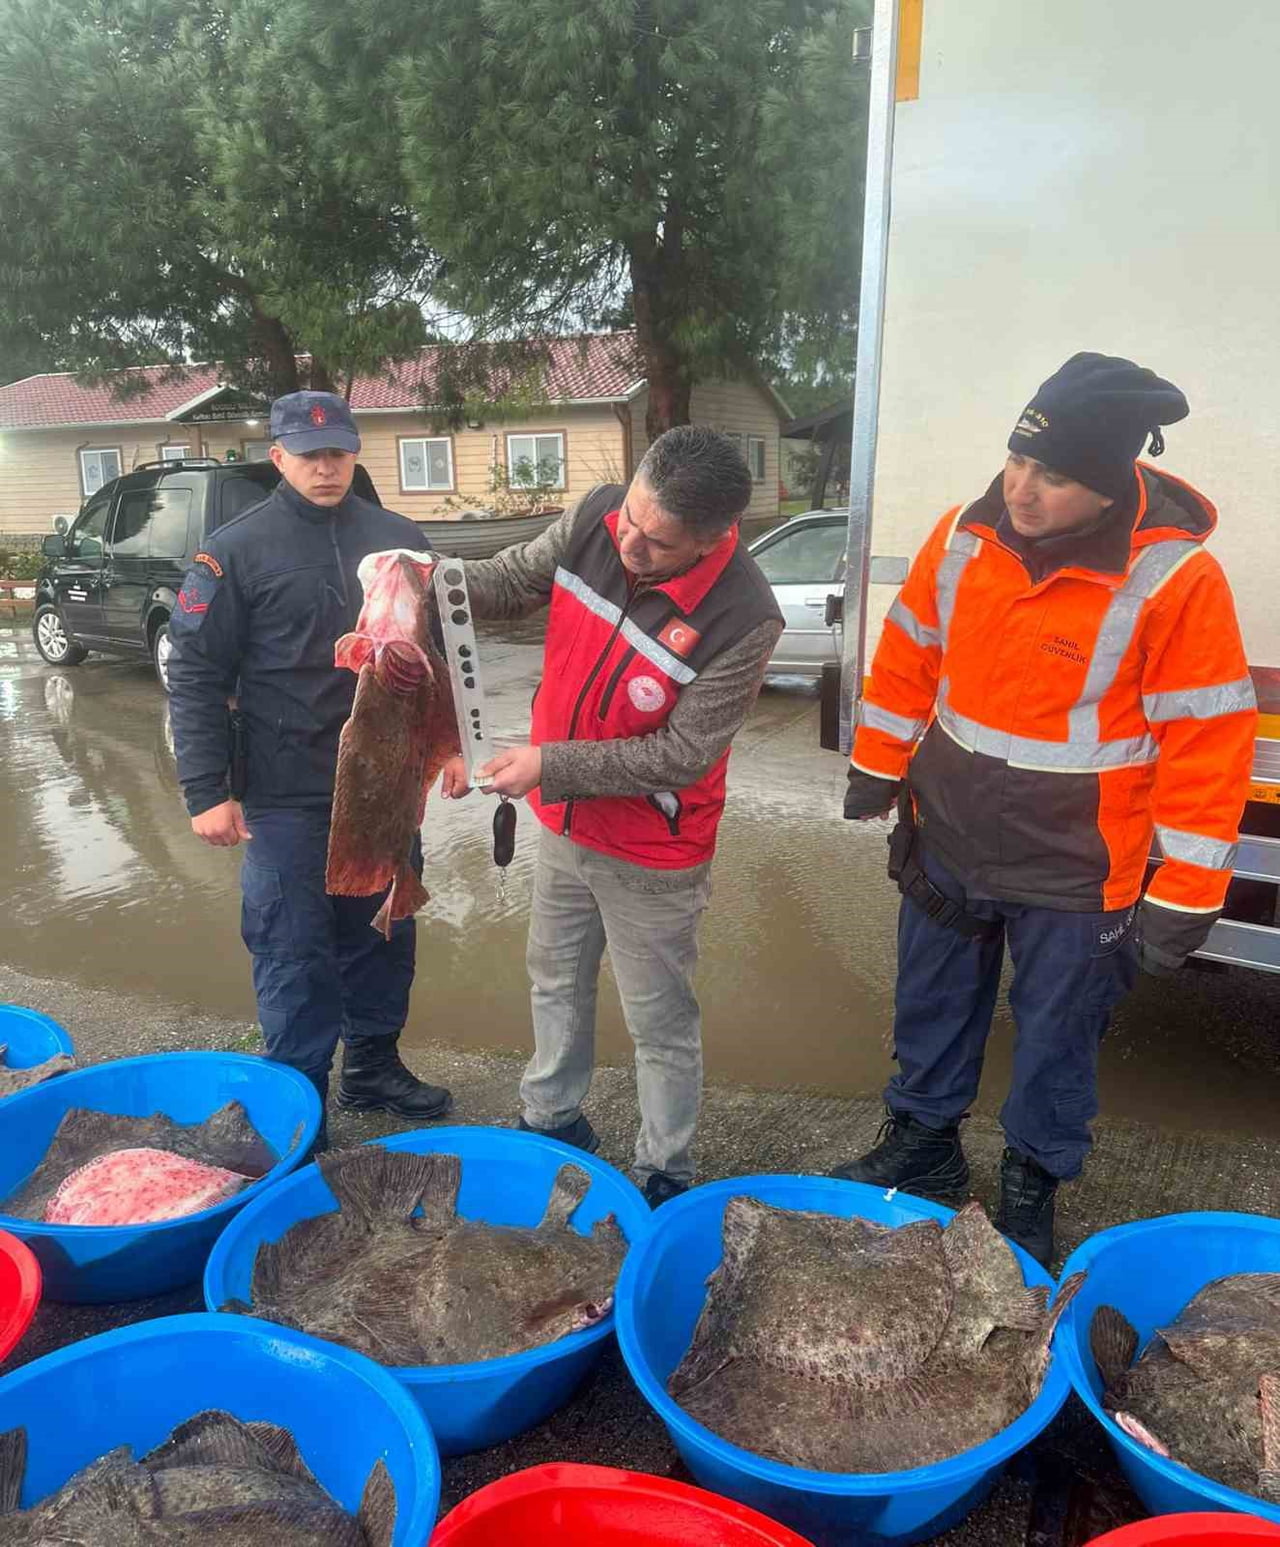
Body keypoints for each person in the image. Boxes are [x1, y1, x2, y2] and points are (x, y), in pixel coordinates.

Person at [834, 353, 1257, 1264]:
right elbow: (909, 651)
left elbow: (1206, 743)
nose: (1021, 488)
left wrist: (1185, 889)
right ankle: (925, 1144)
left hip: (1078, 865)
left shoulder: (1177, 580)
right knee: (932, 1000)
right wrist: (876, 759)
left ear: (1109, 486)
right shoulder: (964, 533)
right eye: (1019, 460)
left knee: (1058, 1032)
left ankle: (1033, 1175)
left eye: (1054, 475)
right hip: (948, 831)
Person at [463, 426, 784, 1207]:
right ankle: (551, 1116)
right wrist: (424, 579)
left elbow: (679, 755)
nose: (629, 542)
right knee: (554, 978)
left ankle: (666, 1166)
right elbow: (507, 580)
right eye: (629, 520)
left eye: (655, 540)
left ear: (712, 539)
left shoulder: (745, 617)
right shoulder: (598, 517)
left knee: (659, 1018)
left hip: (654, 853)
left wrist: (551, 764)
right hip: (565, 825)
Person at [168, 391, 462, 1141]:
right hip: (286, 790)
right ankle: (301, 1105)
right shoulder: (234, 550)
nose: (326, 467)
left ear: (356, 452)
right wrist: (207, 790)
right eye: (308, 454)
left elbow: (440, 659)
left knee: (381, 931)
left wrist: (456, 746)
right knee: (293, 950)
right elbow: (195, 674)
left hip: (387, 782)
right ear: (278, 457)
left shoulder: (399, 538)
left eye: (337, 453)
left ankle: (372, 1064)